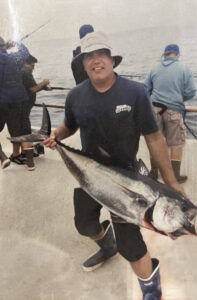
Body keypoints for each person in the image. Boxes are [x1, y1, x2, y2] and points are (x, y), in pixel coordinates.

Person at [44, 32, 187, 300]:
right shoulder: (75, 95)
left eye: (101, 54)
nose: (96, 60)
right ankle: (106, 244)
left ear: (112, 60)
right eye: (89, 56)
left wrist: (171, 181)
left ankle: (151, 290)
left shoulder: (135, 92)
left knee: (131, 247)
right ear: (83, 63)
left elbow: (155, 138)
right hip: (89, 175)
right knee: (84, 225)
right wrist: (55, 137)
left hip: (127, 181)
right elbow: (70, 125)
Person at [144, 44, 196, 183]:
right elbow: (191, 92)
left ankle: (154, 173)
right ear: (177, 55)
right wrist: (178, 98)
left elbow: (145, 89)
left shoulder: (154, 68)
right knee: (176, 144)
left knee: (155, 142)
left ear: (165, 55)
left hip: (154, 110)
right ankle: (175, 177)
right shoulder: (184, 68)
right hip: (174, 111)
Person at [0, 37, 33, 169]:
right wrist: (14, 43)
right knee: (21, 131)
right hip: (18, 100)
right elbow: (25, 52)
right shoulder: (14, 58)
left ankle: (2, 157)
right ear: (4, 46)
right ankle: (29, 163)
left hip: (1, 101)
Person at [21, 54, 51, 163]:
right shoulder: (25, 72)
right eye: (32, 66)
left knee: (23, 129)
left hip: (24, 107)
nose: (33, 68)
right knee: (25, 129)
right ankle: (26, 154)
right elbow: (33, 89)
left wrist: (43, 88)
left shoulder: (24, 71)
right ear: (26, 64)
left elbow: (30, 88)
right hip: (23, 107)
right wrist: (44, 82)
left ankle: (24, 152)